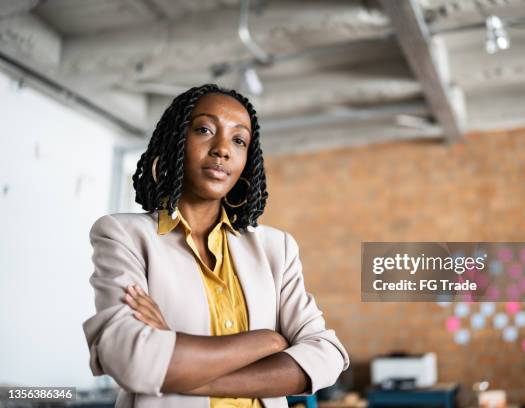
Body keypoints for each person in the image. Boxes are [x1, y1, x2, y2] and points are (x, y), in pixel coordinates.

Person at [82, 84, 350, 408]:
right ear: (177, 141)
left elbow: (326, 356)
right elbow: (129, 357)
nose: (222, 149)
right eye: (205, 130)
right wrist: (266, 341)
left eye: (239, 140)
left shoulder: (276, 250)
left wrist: (181, 367)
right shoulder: (123, 236)